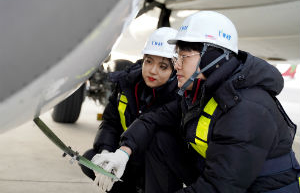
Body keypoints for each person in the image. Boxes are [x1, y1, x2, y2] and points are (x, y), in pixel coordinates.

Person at [145, 11, 300, 192]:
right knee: (161, 140)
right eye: (176, 57)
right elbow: (157, 117)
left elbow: (219, 188)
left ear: (211, 57)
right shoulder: (206, 91)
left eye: (184, 57)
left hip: (255, 188)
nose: (177, 65)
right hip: (224, 177)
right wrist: (123, 151)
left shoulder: (247, 108)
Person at [80, 27, 179, 192]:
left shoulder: (178, 95)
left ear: (175, 70)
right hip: (130, 158)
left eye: (163, 66)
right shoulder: (127, 84)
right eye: (148, 61)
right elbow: (110, 122)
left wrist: (124, 153)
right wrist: (106, 152)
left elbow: (150, 123)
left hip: (156, 164)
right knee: (91, 159)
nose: (153, 70)